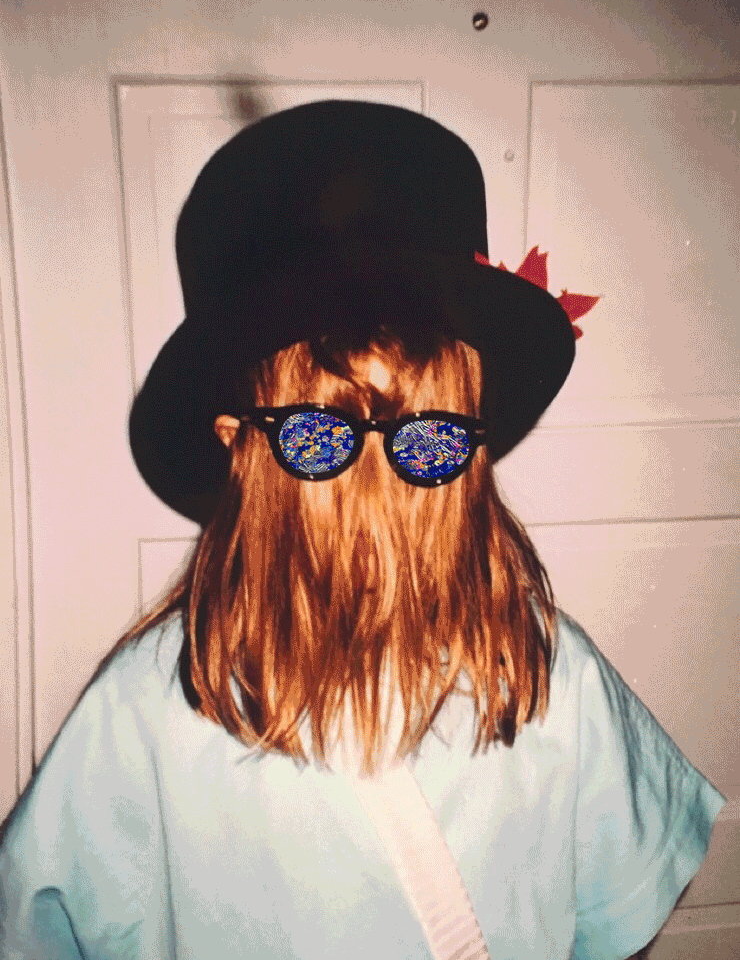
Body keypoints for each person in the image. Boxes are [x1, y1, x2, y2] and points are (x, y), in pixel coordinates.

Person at [0, 100, 726, 960]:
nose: (379, 488)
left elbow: (622, 917)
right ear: (240, 450)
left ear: (474, 451)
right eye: (319, 436)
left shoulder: (542, 673)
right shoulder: (143, 712)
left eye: (430, 439)